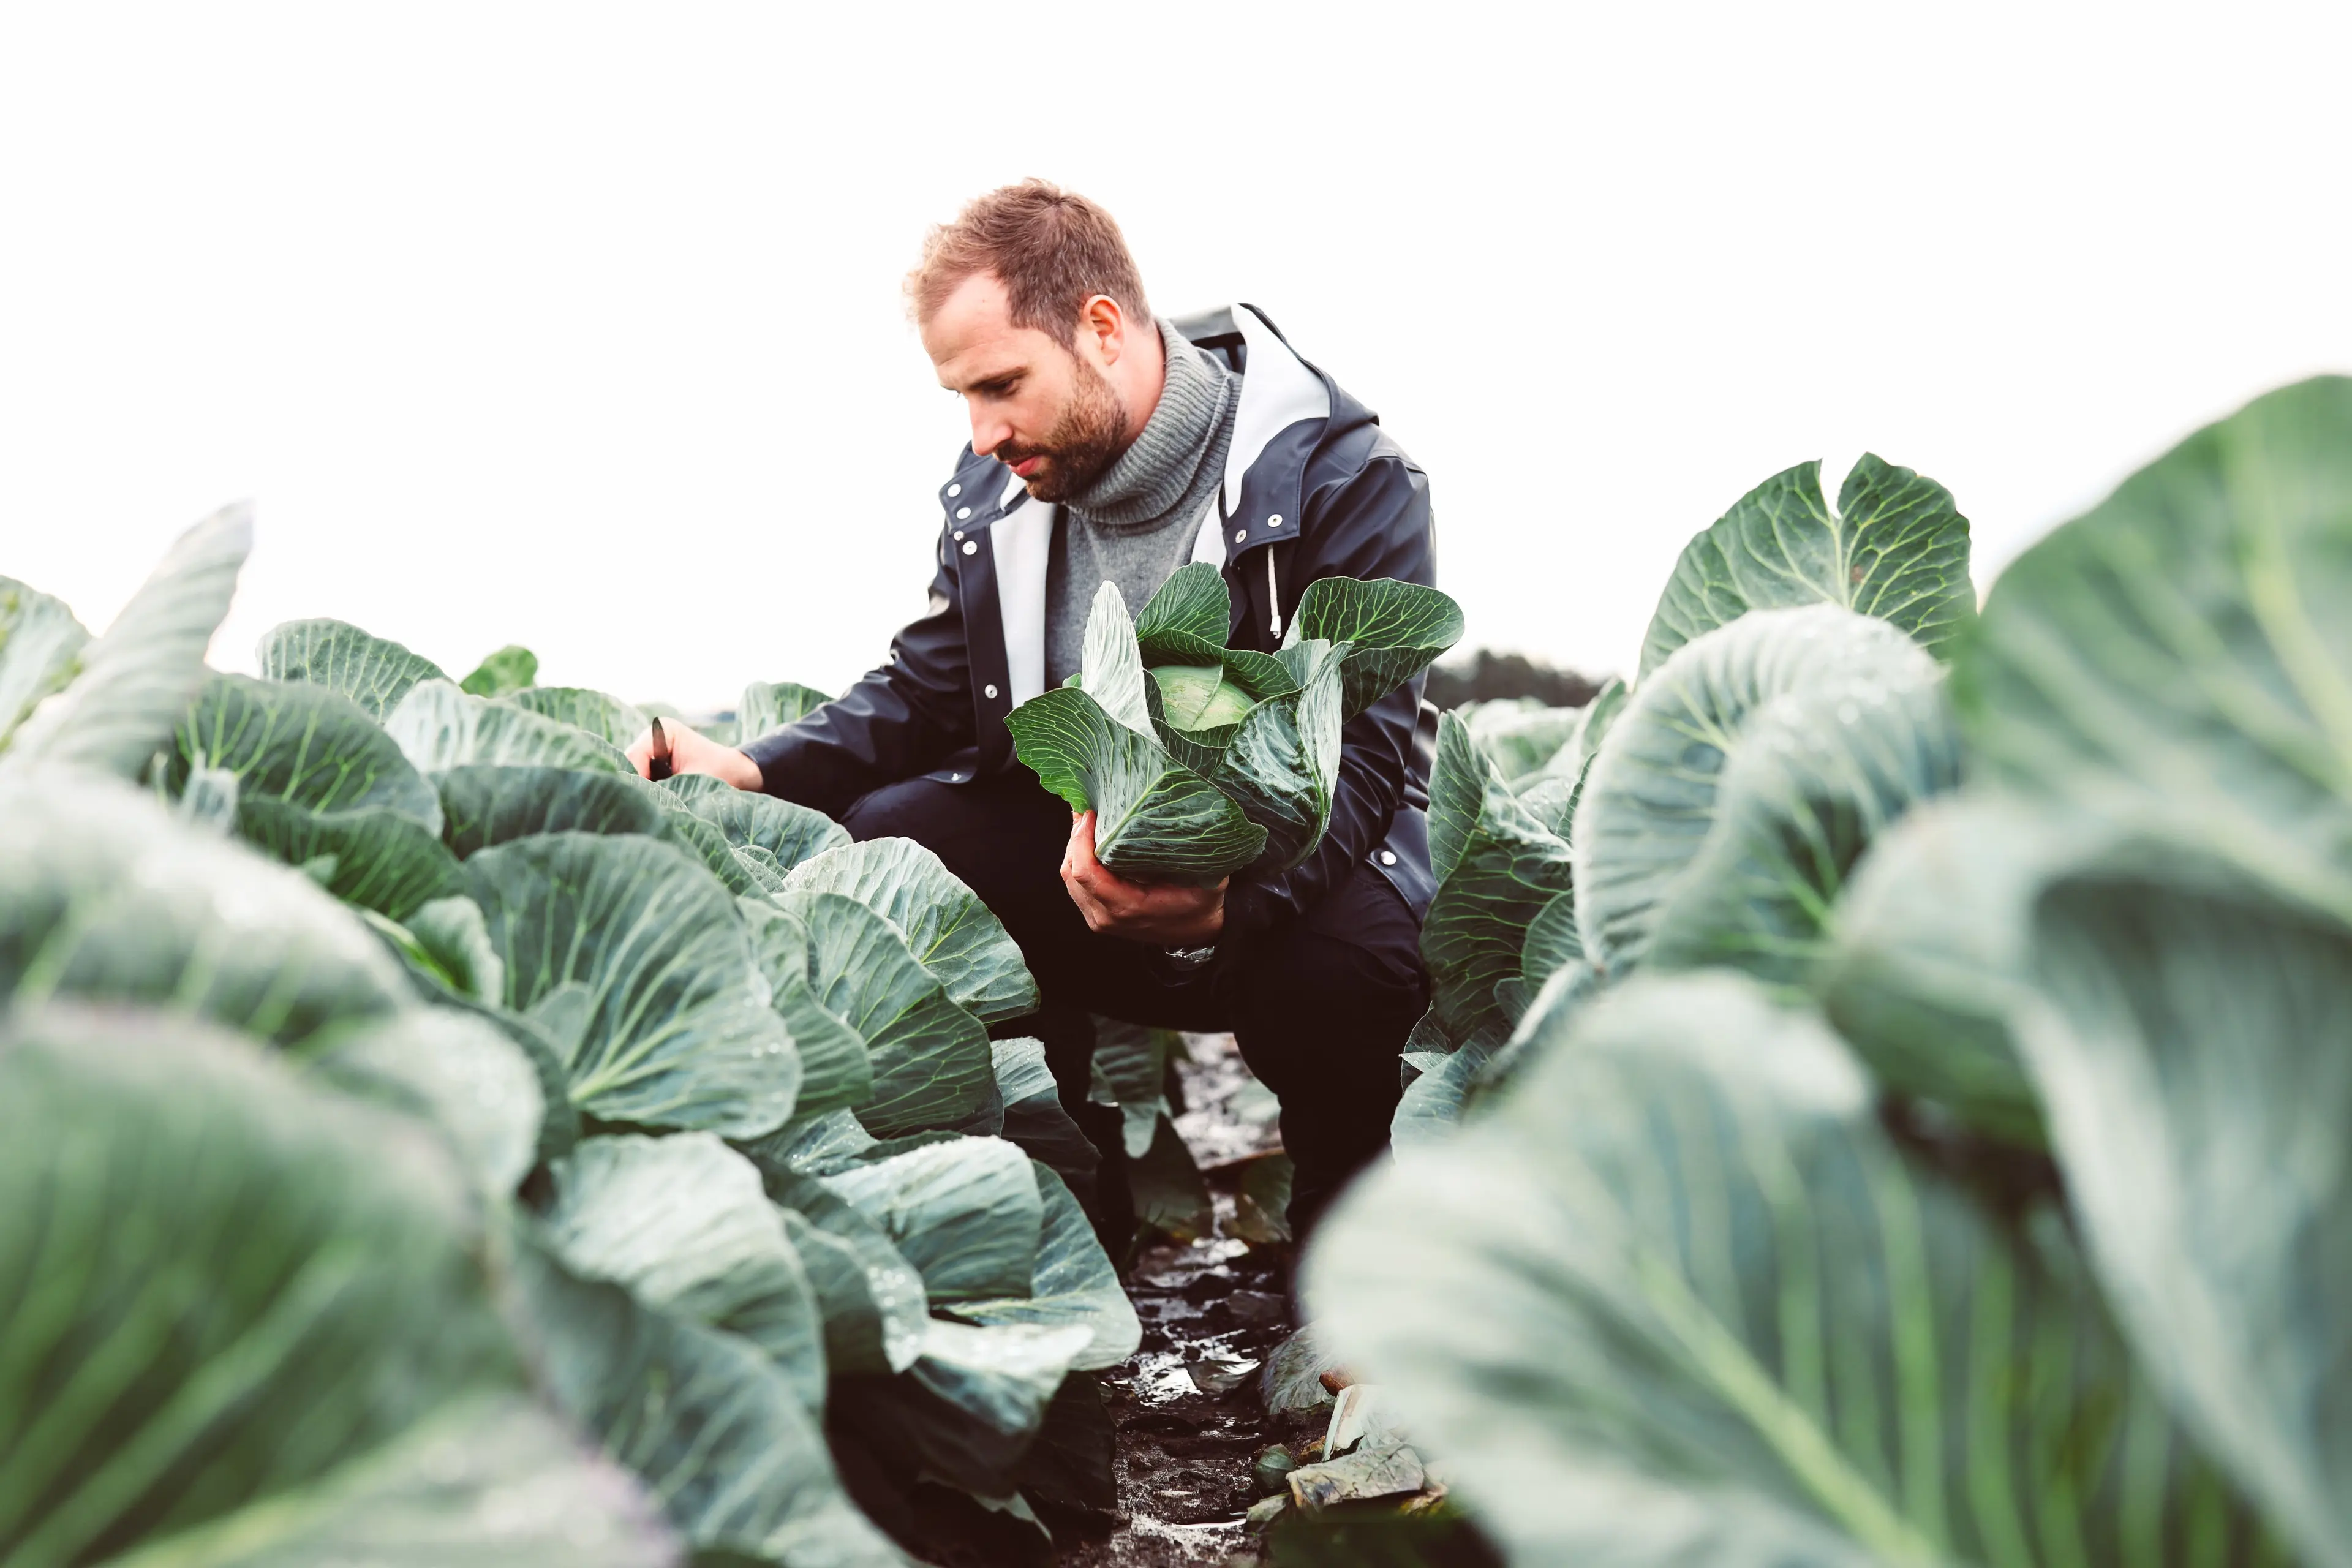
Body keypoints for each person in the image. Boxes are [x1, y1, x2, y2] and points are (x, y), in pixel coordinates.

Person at [631, 180, 1438, 1251]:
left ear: (1102, 329)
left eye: (1002, 385)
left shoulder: (1345, 481)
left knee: (1354, 959)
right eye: (962, 398)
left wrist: (1230, 910)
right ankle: (1066, 1206)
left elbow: (1368, 770)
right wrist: (753, 769)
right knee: (901, 841)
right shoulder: (1003, 496)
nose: (981, 434)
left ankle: (1350, 1258)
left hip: (1286, 897)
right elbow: (925, 692)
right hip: (1085, 884)